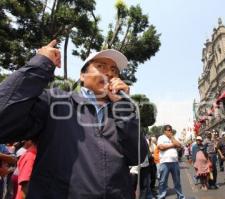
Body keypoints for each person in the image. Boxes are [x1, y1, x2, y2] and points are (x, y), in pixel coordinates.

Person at [0, 40, 147, 198]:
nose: (110, 73)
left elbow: (137, 155)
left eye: (114, 70)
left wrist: (123, 108)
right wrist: (39, 65)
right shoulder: (55, 102)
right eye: (101, 66)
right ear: (82, 76)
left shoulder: (121, 112)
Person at [157, 125, 185, 199]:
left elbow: (179, 145)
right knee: (163, 181)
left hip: (174, 162)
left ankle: (180, 196)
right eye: (168, 130)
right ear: (164, 131)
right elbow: (161, 147)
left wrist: (172, 138)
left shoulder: (173, 137)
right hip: (164, 162)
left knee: (177, 181)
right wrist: (173, 145)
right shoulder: (161, 138)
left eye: (171, 130)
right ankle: (161, 196)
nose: (170, 131)